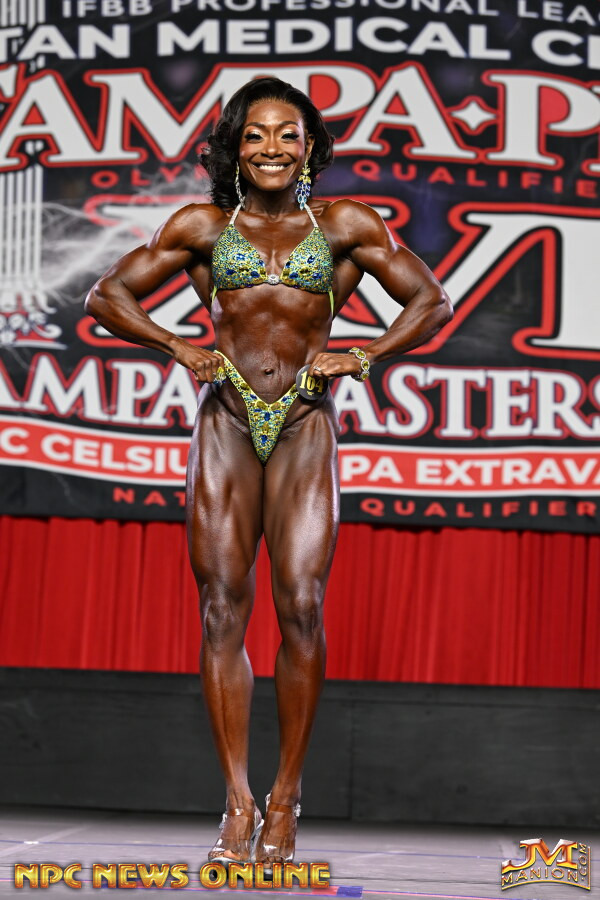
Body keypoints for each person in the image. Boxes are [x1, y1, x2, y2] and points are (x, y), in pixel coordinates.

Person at [84, 75, 453, 871]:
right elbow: (106, 295)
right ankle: (236, 800)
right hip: (225, 421)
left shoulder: (348, 224)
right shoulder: (203, 226)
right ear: (235, 148)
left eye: (288, 133)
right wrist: (177, 345)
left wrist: (364, 354)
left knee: (302, 607)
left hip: (304, 425)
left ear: (310, 146)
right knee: (221, 607)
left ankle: (285, 797)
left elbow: (431, 302)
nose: (272, 147)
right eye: (255, 135)